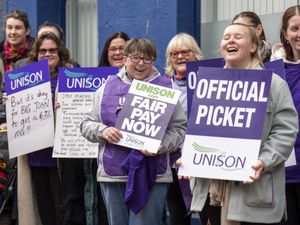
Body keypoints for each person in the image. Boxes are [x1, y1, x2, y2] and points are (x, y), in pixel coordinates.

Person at [178, 23, 298, 225]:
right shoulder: (208, 84)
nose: (230, 40)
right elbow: (199, 131)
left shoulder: (274, 84)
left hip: (255, 194)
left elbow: (285, 131)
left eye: (237, 37)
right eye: (226, 37)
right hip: (213, 195)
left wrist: (263, 161)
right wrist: (190, 159)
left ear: (253, 47)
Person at [81, 38, 187, 225]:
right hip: (113, 172)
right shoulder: (106, 87)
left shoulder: (166, 87)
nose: (141, 63)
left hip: (153, 174)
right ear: (125, 58)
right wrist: (103, 130)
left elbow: (180, 128)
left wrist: (162, 145)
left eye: (147, 59)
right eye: (136, 58)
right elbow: (86, 124)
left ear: (153, 61)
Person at [17, 32, 74, 225]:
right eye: (42, 50)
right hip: (37, 154)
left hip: (62, 156)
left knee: (64, 210)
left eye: (52, 50)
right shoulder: (27, 78)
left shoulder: (69, 76)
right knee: (44, 210)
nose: (47, 54)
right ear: (36, 54)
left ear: (60, 52)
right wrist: (12, 103)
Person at [84, 31, 130, 225]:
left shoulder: (148, 81)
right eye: (113, 49)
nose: (118, 52)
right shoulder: (98, 80)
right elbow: (86, 119)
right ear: (106, 52)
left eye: (123, 48)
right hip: (104, 157)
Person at [165, 32, 204, 225]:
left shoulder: (209, 81)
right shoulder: (163, 86)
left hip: (203, 157)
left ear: (195, 53)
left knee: (207, 211)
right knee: (177, 214)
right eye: (174, 54)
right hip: (173, 160)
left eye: (185, 52)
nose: (179, 57)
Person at [271, 5, 300, 225]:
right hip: (285, 168)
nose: (299, 34)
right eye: (295, 28)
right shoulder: (272, 71)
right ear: (285, 34)